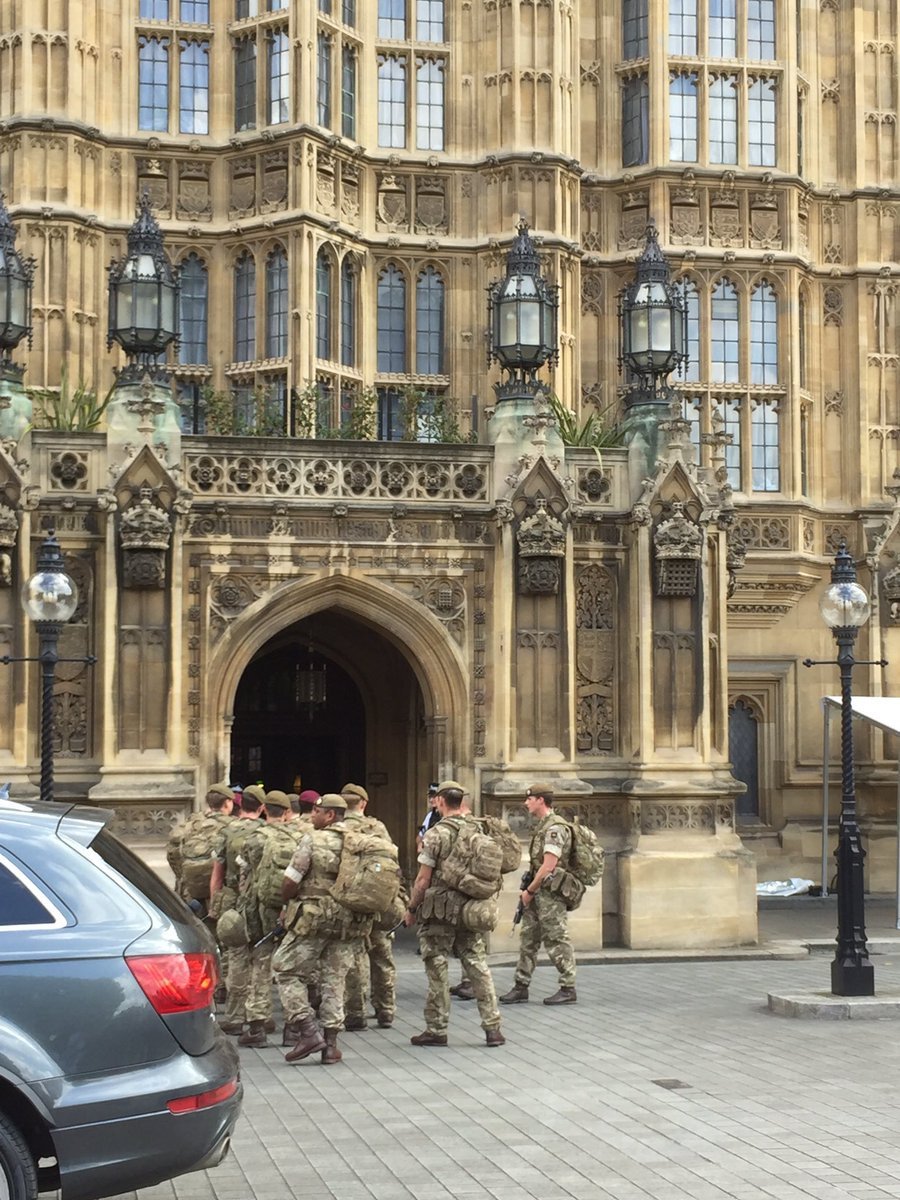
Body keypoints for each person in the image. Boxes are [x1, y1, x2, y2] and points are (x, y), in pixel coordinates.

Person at [404, 781, 505, 1048]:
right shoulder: (477, 830)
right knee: (477, 965)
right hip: (471, 909)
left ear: (440, 801)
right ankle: (493, 1028)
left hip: (439, 912)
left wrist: (412, 908)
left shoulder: (435, 835)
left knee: (437, 967)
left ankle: (436, 1029)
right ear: (462, 802)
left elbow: (423, 880)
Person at [275, 794, 373, 1066]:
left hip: (313, 920)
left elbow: (291, 879)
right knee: (334, 980)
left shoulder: (313, 839)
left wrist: (287, 901)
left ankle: (307, 1029)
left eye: (317, 812)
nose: (312, 816)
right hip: (348, 922)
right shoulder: (360, 841)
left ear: (330, 815)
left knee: (284, 968)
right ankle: (331, 1046)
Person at [499, 784, 577, 1006]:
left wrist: (529, 891)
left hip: (550, 894)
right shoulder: (542, 826)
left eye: (530, 799)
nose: (526, 803)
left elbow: (549, 866)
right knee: (528, 939)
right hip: (538, 892)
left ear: (541, 800)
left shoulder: (554, 828)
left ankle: (568, 987)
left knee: (557, 938)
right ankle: (521, 986)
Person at [237, 788, 299, 1047]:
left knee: (260, 965)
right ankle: (293, 1028)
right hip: (292, 909)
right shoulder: (301, 836)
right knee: (292, 968)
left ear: (264, 810)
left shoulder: (254, 837)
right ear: (286, 812)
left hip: (259, 909)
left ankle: (257, 1028)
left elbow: (244, 876)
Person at [341, 782, 400, 1031]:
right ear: (363, 804)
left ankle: (356, 1012)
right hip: (378, 900)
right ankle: (386, 1010)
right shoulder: (378, 828)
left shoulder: (338, 829)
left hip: (350, 901)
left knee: (354, 956)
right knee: (382, 955)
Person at [210, 786, 266, 1036]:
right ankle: (259, 1016)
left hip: (233, 900)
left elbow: (216, 876)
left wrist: (215, 906)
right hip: (261, 902)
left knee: (236, 957)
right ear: (262, 808)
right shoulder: (267, 832)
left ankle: (234, 1016)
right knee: (262, 958)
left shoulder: (226, 831)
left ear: (240, 805)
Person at [166, 783, 234, 913]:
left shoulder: (190, 824)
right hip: (220, 897)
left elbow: (172, 853)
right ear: (227, 803)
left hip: (190, 893)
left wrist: (184, 877)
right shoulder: (232, 827)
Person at [416, 782, 441, 853]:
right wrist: (420, 844)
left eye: (434, 797)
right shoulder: (430, 815)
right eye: (430, 797)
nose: (431, 800)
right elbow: (420, 836)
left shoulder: (447, 815)